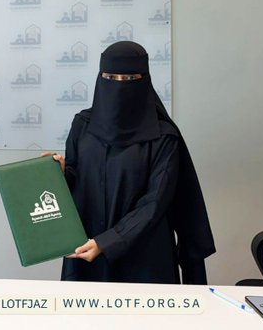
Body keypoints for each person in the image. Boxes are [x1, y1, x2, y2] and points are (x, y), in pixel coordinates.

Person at [46, 41, 215, 283]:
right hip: (87, 248)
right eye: (110, 77)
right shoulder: (83, 125)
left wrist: (108, 242)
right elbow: (76, 174)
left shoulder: (163, 137)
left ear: (144, 80)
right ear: (100, 78)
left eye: (129, 78)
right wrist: (59, 173)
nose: (119, 85)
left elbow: (155, 202)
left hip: (145, 256)